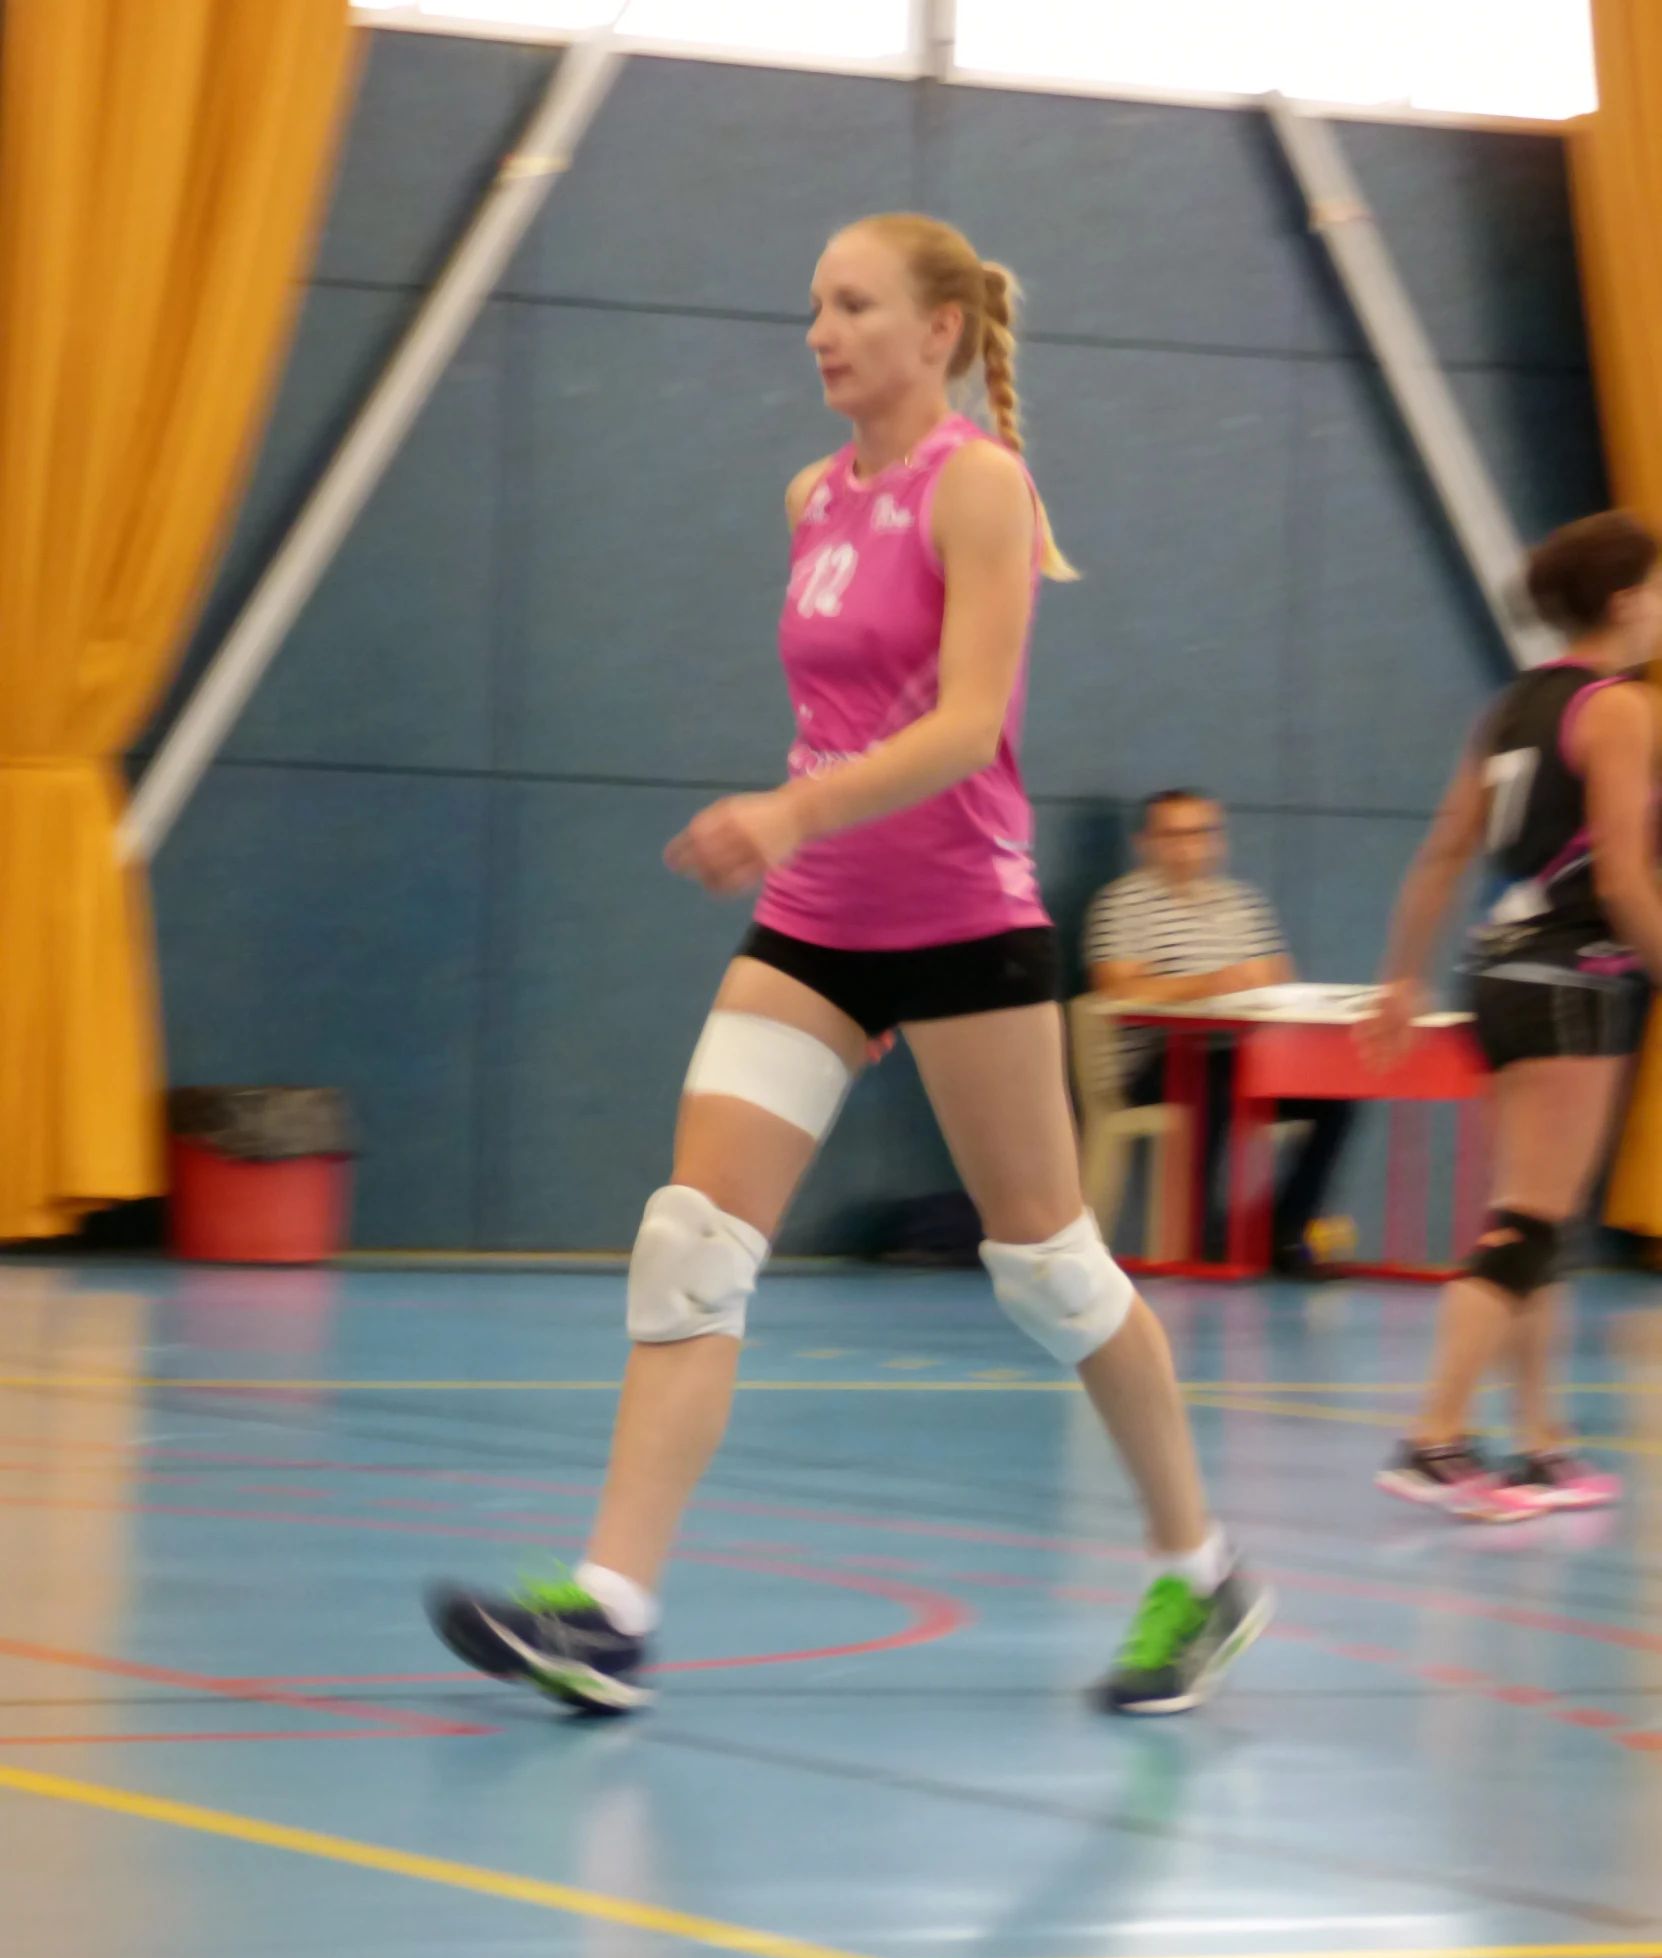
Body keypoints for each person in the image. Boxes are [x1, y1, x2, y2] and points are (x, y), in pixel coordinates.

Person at [426, 213, 1271, 1716]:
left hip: (961, 926)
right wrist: (803, 839)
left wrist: (788, 814)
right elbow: (831, 714)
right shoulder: (812, 494)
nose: (820, 330)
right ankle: (608, 1610)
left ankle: (1198, 1572)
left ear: (937, 330)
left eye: (854, 303)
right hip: (817, 932)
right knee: (691, 1244)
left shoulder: (984, 486)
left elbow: (959, 729)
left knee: (1051, 1275)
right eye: (811, 303)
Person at [1368, 510, 1662, 1521]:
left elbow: (1447, 848)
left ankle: (1542, 1440)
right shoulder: (1620, 709)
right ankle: (1435, 1436)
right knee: (1530, 1221)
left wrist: (1401, 975)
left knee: (1535, 1217)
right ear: (1625, 600)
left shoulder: (1511, 709)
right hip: (1574, 978)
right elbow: (1623, 873)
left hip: (1497, 972)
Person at [1085, 789, 1357, 1272]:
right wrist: (1212, 984)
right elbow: (1116, 985)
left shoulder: (1242, 904)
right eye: (1174, 834)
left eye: (1201, 832)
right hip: (1153, 1060)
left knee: (1336, 1095)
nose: (1189, 845)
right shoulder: (1123, 903)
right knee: (1216, 1082)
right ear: (1147, 842)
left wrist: (1254, 986)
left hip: (1240, 1053)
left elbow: (1276, 976)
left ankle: (1285, 1230)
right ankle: (1200, 1236)